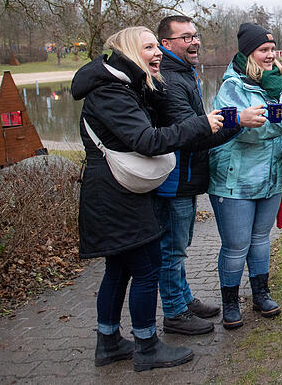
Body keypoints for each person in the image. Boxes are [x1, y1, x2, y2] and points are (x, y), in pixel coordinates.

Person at [71, 27, 224, 371]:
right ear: (129, 51)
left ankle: (108, 342)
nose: (158, 53)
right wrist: (202, 124)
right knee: (147, 268)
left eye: (157, 46)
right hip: (117, 197)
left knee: (119, 269)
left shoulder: (126, 86)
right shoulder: (112, 93)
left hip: (112, 192)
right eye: (149, 47)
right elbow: (148, 141)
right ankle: (147, 346)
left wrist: (153, 83)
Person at [153, 15, 267, 336]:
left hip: (186, 177)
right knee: (172, 249)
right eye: (186, 37)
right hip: (174, 178)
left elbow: (200, 124)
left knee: (181, 244)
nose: (195, 42)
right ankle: (174, 313)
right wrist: (238, 121)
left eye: (195, 35)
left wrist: (228, 122)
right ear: (166, 44)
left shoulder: (184, 73)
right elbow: (193, 134)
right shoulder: (170, 80)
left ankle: (184, 299)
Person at [208, 23, 282, 329]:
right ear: (249, 53)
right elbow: (248, 132)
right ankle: (230, 302)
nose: (270, 55)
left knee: (261, 239)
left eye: (272, 49)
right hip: (234, 180)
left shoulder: (279, 84)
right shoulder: (232, 87)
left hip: (270, 178)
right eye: (263, 50)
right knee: (236, 245)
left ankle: (261, 294)